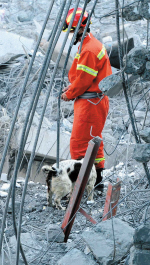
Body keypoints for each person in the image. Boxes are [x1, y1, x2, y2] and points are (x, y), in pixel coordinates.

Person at [61, 8, 111, 193]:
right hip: (95, 101)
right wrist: (72, 87)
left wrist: (69, 93)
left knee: (79, 144)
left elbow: (83, 80)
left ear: (80, 29)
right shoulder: (90, 45)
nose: (71, 35)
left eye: (72, 31)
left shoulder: (89, 49)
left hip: (90, 103)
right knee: (95, 142)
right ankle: (97, 184)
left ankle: (81, 187)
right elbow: (83, 76)